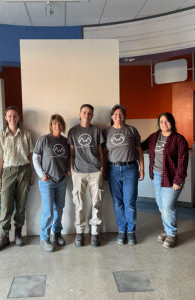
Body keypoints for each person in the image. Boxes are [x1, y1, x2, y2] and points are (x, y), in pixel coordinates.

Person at [142, 112, 188, 248]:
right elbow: (142, 145)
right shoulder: (154, 137)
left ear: (172, 123)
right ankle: (167, 230)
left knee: (168, 206)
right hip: (156, 176)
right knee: (161, 205)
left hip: (172, 177)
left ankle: (172, 234)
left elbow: (183, 161)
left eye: (167, 121)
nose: (164, 124)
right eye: (161, 121)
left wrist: (178, 180)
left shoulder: (179, 139)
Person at [0, 106, 34, 252]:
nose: (12, 118)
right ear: (5, 118)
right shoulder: (0, 136)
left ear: (18, 117)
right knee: (6, 204)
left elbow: (30, 157)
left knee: (21, 205)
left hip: (24, 170)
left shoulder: (26, 135)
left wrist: (32, 174)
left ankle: (18, 233)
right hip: (7, 172)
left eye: (15, 116)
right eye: (9, 116)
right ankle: (4, 236)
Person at [103, 104, 144, 245]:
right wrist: (103, 169)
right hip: (113, 170)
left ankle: (131, 232)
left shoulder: (132, 130)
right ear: (111, 116)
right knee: (117, 202)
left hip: (130, 169)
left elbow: (139, 150)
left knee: (130, 203)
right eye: (115, 114)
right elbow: (103, 153)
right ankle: (122, 230)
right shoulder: (106, 132)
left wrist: (142, 169)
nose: (117, 116)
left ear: (124, 116)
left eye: (120, 114)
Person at [67, 104, 104, 247]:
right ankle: (80, 232)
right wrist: (71, 169)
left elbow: (101, 150)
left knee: (96, 202)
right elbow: (71, 152)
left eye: (89, 113)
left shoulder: (96, 131)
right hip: (78, 172)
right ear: (80, 114)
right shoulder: (73, 131)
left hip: (95, 171)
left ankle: (95, 233)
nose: (86, 115)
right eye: (84, 112)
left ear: (92, 115)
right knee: (79, 204)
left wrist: (102, 167)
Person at [33, 114, 69, 252]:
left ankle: (57, 234)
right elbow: (35, 158)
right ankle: (44, 238)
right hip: (47, 182)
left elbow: (70, 158)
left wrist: (68, 172)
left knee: (59, 209)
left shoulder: (66, 141)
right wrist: (41, 175)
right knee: (48, 211)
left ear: (63, 126)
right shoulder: (44, 139)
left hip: (61, 180)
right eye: (54, 124)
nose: (57, 126)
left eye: (60, 123)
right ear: (51, 125)